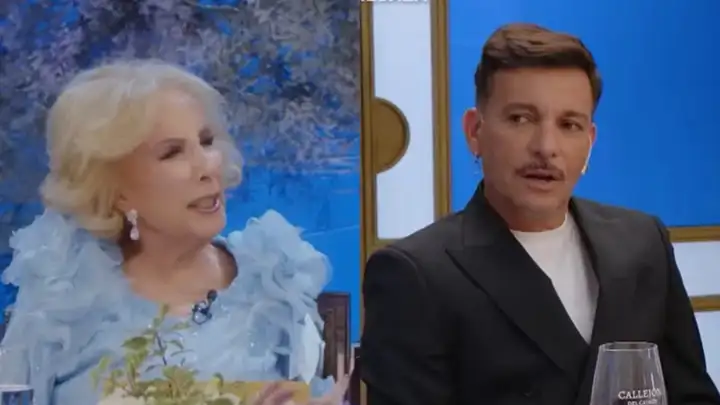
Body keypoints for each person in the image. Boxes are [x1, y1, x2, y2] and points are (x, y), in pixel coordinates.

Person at [361, 23, 720, 405]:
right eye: (521, 119)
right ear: (474, 131)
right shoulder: (414, 275)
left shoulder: (643, 243)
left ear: (589, 142)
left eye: (569, 125)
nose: (546, 147)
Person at [0, 60, 348, 405]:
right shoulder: (62, 300)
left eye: (206, 141)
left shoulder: (275, 283)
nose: (207, 166)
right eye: (172, 153)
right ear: (115, 190)